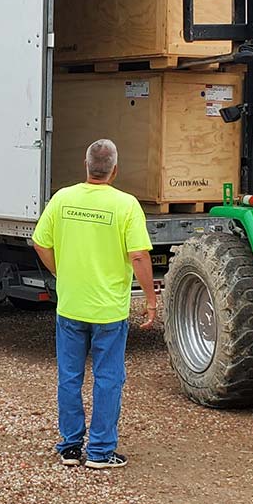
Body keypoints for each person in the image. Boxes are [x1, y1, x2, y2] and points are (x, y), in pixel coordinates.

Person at [31, 138, 158, 470]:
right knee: (108, 378)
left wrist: (62, 271)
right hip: (109, 312)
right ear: (115, 170)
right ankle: (100, 452)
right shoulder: (126, 205)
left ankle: (70, 447)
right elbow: (139, 255)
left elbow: (39, 242)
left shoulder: (63, 199)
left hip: (71, 306)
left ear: (86, 166)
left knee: (69, 377)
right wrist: (151, 298)